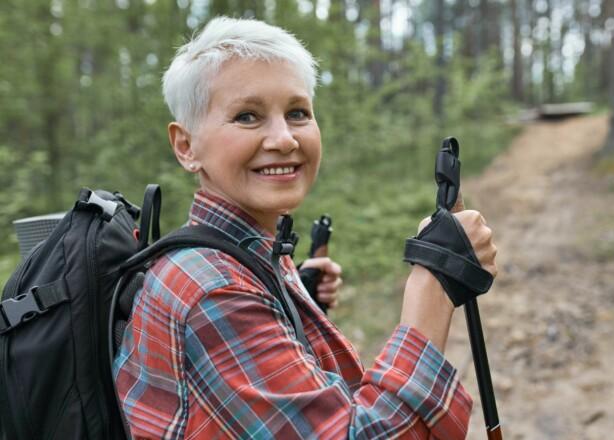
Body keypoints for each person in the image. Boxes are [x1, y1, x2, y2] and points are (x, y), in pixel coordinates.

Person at [113, 17, 498, 439]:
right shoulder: (214, 291)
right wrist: (434, 280)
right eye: (247, 116)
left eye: (297, 113)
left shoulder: (239, 255)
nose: (284, 139)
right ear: (186, 147)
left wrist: (288, 307)